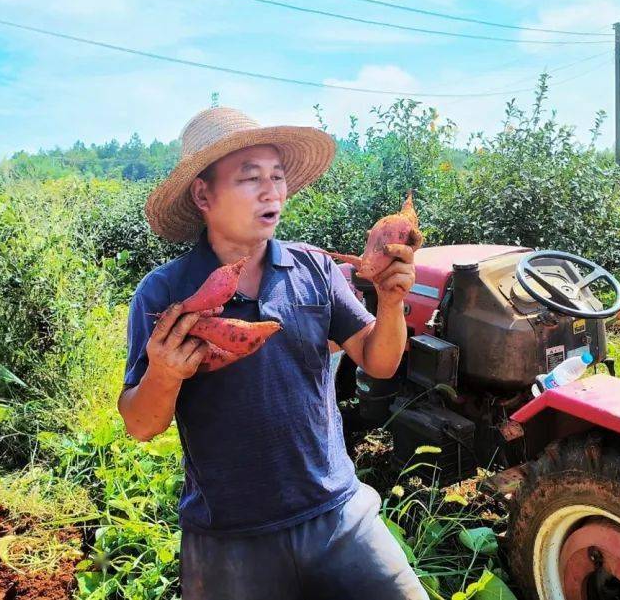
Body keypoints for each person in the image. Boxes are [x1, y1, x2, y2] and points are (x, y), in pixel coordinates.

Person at [118, 106, 428, 600]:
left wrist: (391, 303)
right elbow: (141, 424)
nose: (272, 192)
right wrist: (164, 373)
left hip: (338, 514)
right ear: (203, 194)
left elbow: (380, 361)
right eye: (250, 178)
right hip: (229, 536)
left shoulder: (314, 269)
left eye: (278, 177)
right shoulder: (165, 294)